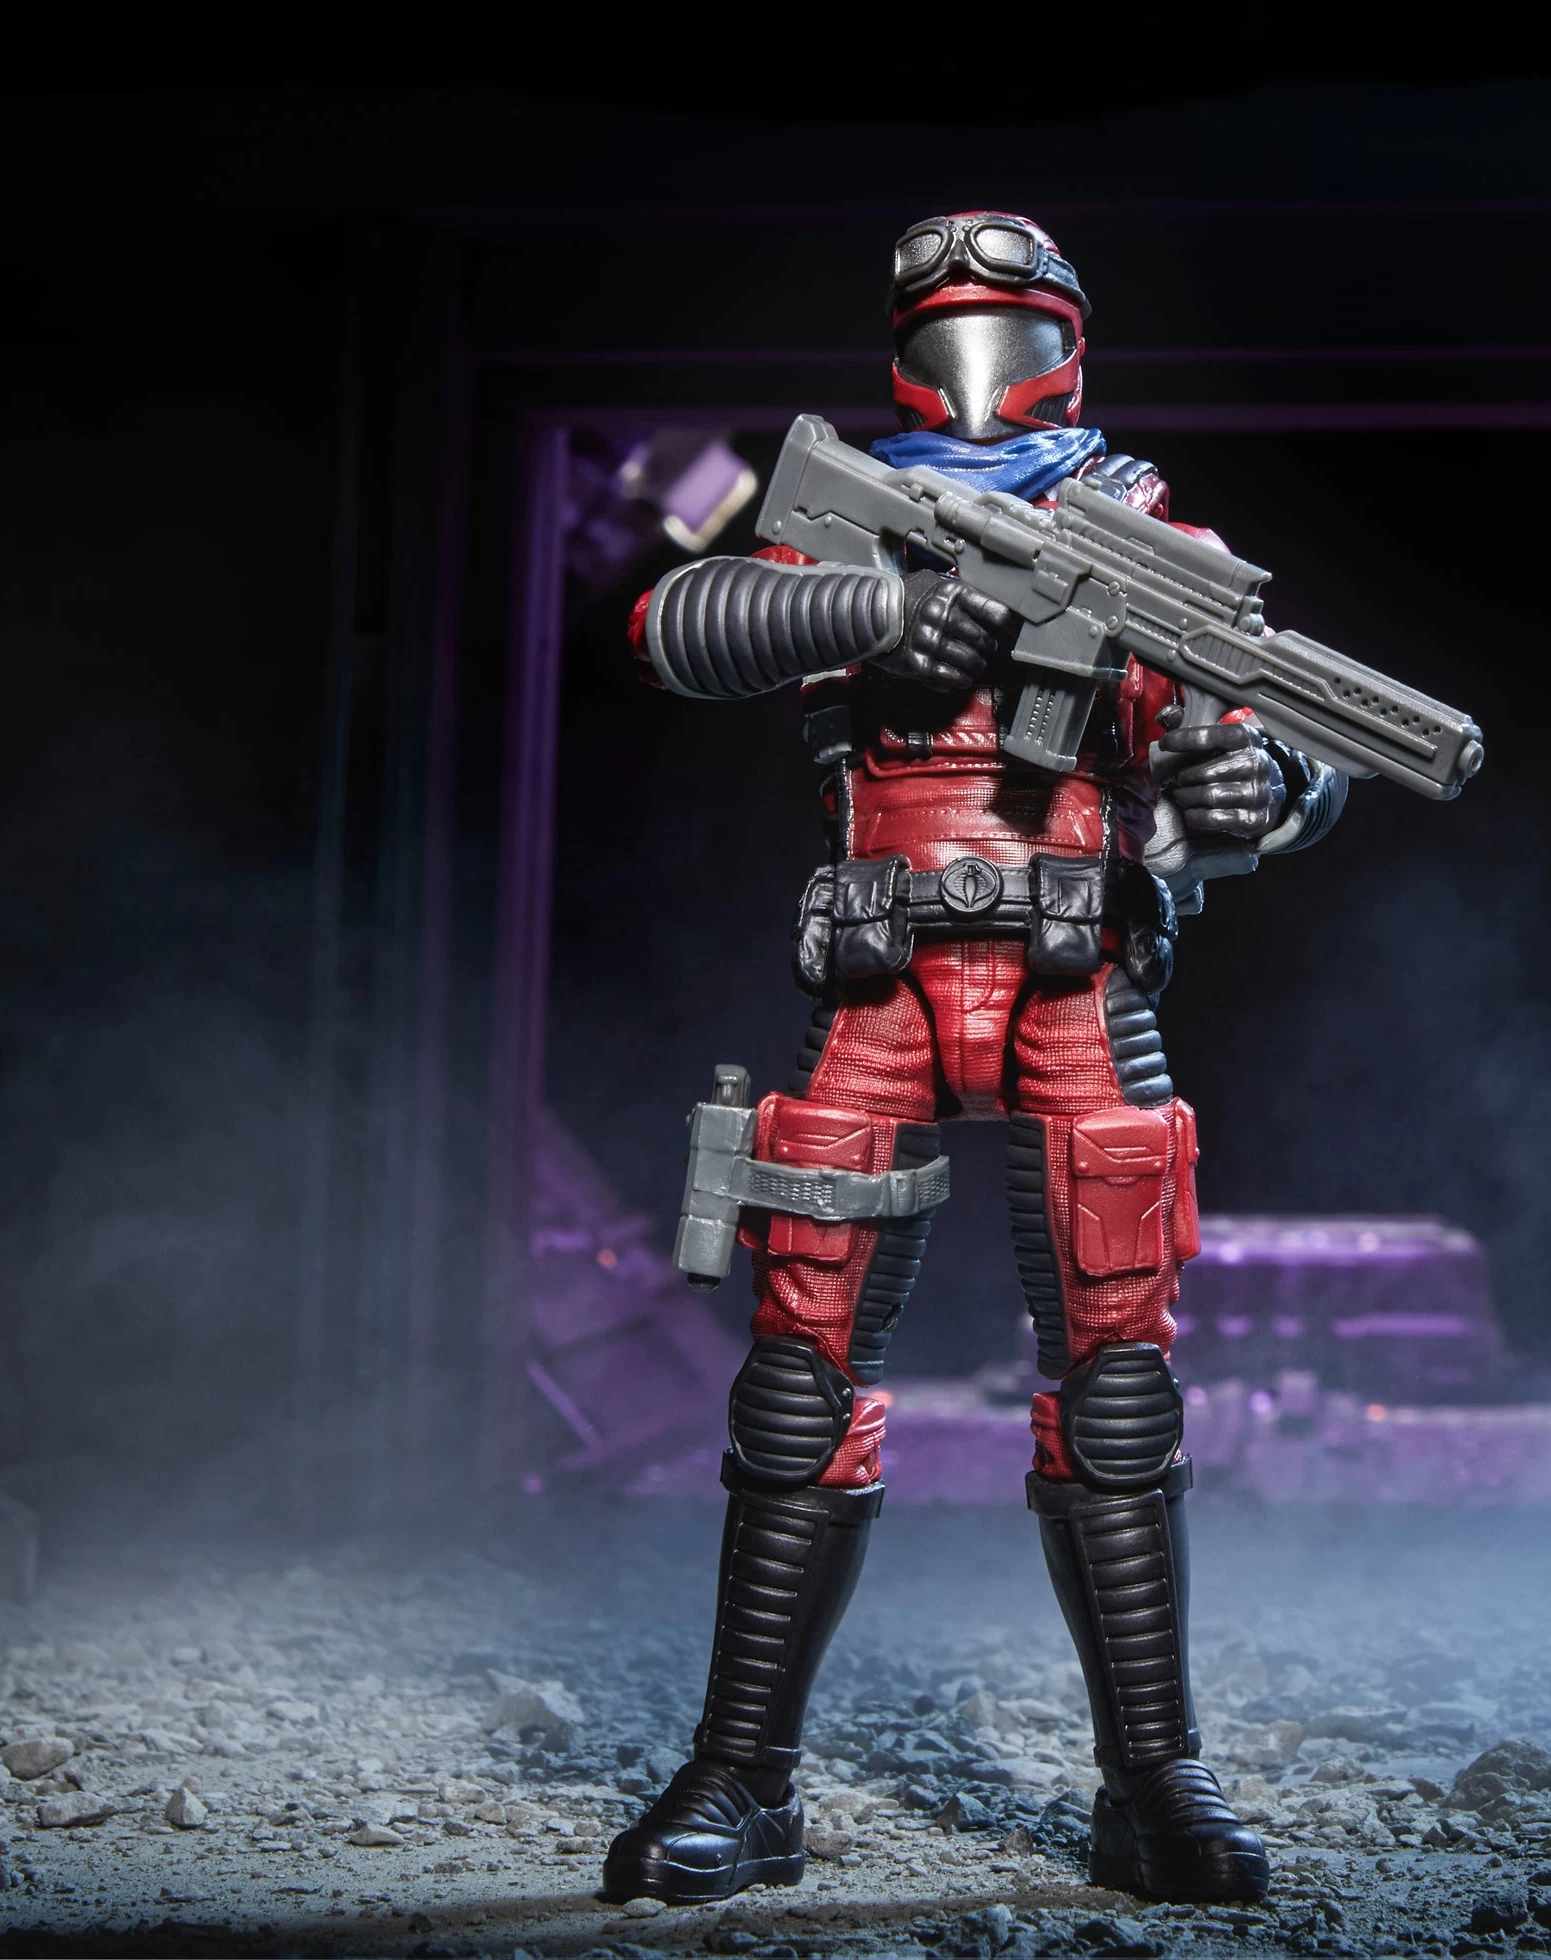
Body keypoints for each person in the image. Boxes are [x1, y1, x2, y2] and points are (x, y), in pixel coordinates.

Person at [603, 213, 1345, 1909]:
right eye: (950, 331)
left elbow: (1262, 742)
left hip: (1080, 973)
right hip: (877, 973)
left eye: (1012, 330)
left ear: (1071, 346)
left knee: (1118, 1379)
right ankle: (742, 1775)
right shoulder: (849, 519)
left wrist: (1263, 793)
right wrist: (884, 608)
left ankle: (1152, 1777)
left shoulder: (1145, 535)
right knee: (797, 1371)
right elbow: (672, 624)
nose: (980, 367)